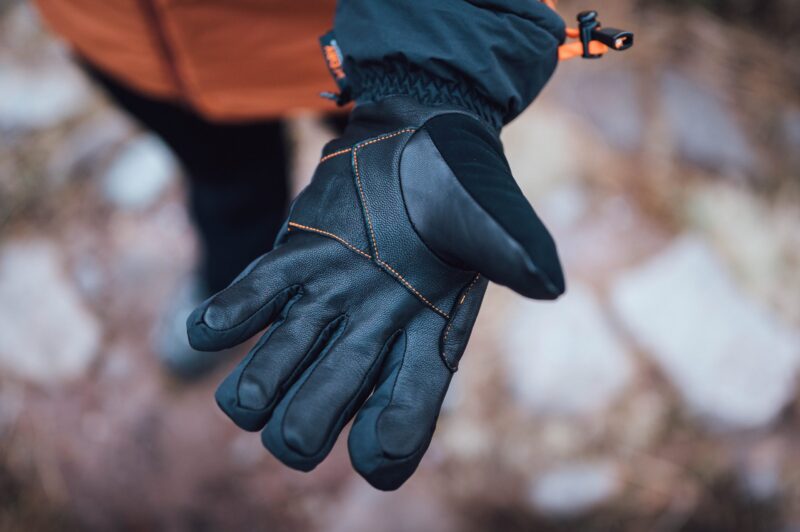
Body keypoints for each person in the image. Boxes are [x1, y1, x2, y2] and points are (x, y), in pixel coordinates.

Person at [36, 0, 567, 490]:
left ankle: (377, 332)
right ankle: (232, 272)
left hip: (354, 32)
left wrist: (437, 71)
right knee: (226, 183)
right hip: (122, 40)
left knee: (366, 147)